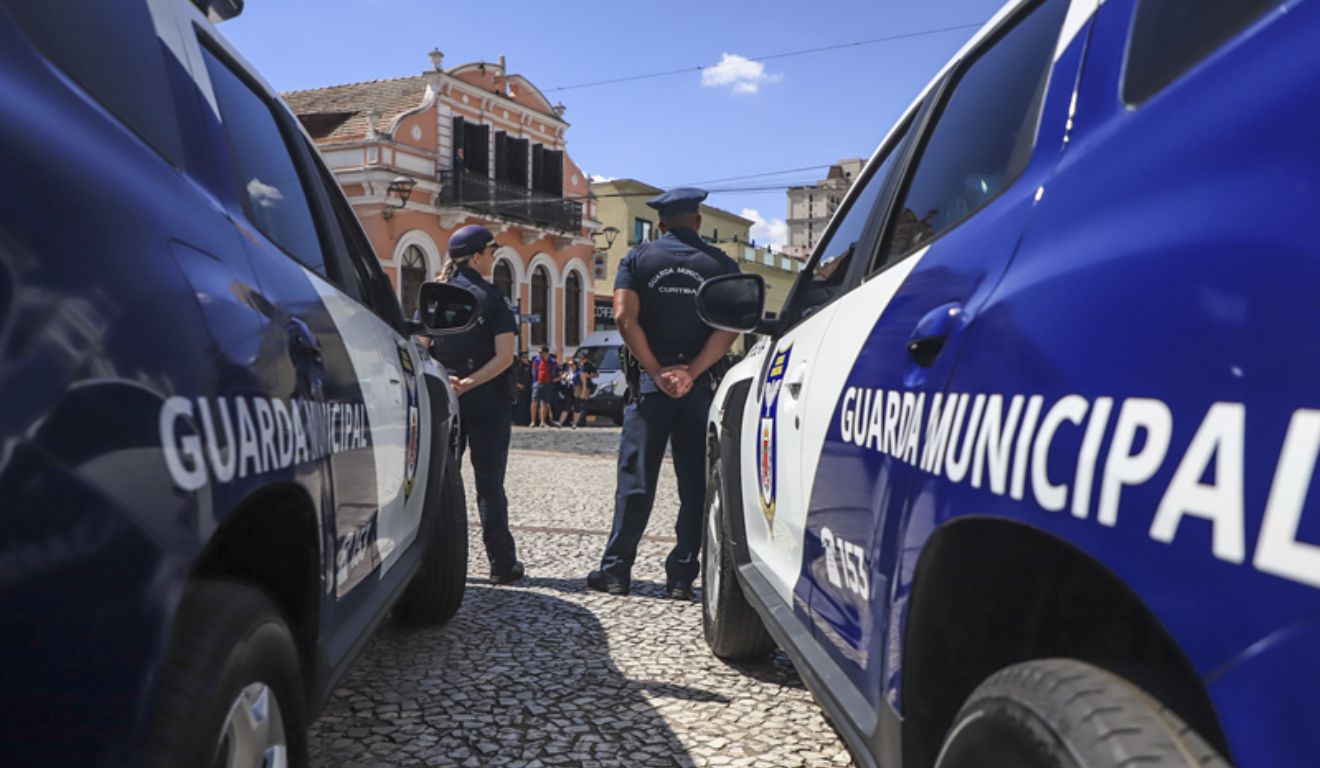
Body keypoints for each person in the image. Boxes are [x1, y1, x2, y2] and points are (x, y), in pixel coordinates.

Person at [587, 187, 740, 599]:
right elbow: (729, 327)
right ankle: (681, 577)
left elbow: (623, 316)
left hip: (650, 387)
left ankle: (617, 572)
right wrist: (690, 372)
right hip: (699, 386)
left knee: (636, 480)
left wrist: (657, 370)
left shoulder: (637, 259)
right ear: (698, 221)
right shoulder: (721, 263)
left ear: (659, 224)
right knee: (695, 484)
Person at [429, 225, 524, 584]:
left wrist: (450, 381)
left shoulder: (436, 296)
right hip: (487, 401)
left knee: (442, 484)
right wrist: (469, 383)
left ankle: (437, 563)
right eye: (492, 251)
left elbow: (422, 346)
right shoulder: (492, 298)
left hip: (446, 399)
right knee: (489, 485)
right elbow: (504, 358)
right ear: (478, 256)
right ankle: (502, 564)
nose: (495, 257)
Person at [530, 346, 557, 428]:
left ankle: (542, 421)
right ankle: (533, 421)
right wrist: (535, 382)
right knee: (534, 402)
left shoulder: (552, 362)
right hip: (537, 383)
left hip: (547, 383)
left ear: (546, 353)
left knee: (544, 403)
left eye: (541, 352)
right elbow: (534, 370)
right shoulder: (537, 360)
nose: (540, 354)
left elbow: (553, 372)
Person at [513, 351, 533, 426]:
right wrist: (518, 384)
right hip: (520, 388)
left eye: (527, 357)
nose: (526, 359)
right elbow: (514, 377)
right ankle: (519, 421)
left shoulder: (529, 365)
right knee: (520, 405)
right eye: (524, 357)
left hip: (527, 388)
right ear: (521, 358)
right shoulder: (518, 366)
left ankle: (526, 421)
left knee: (527, 405)